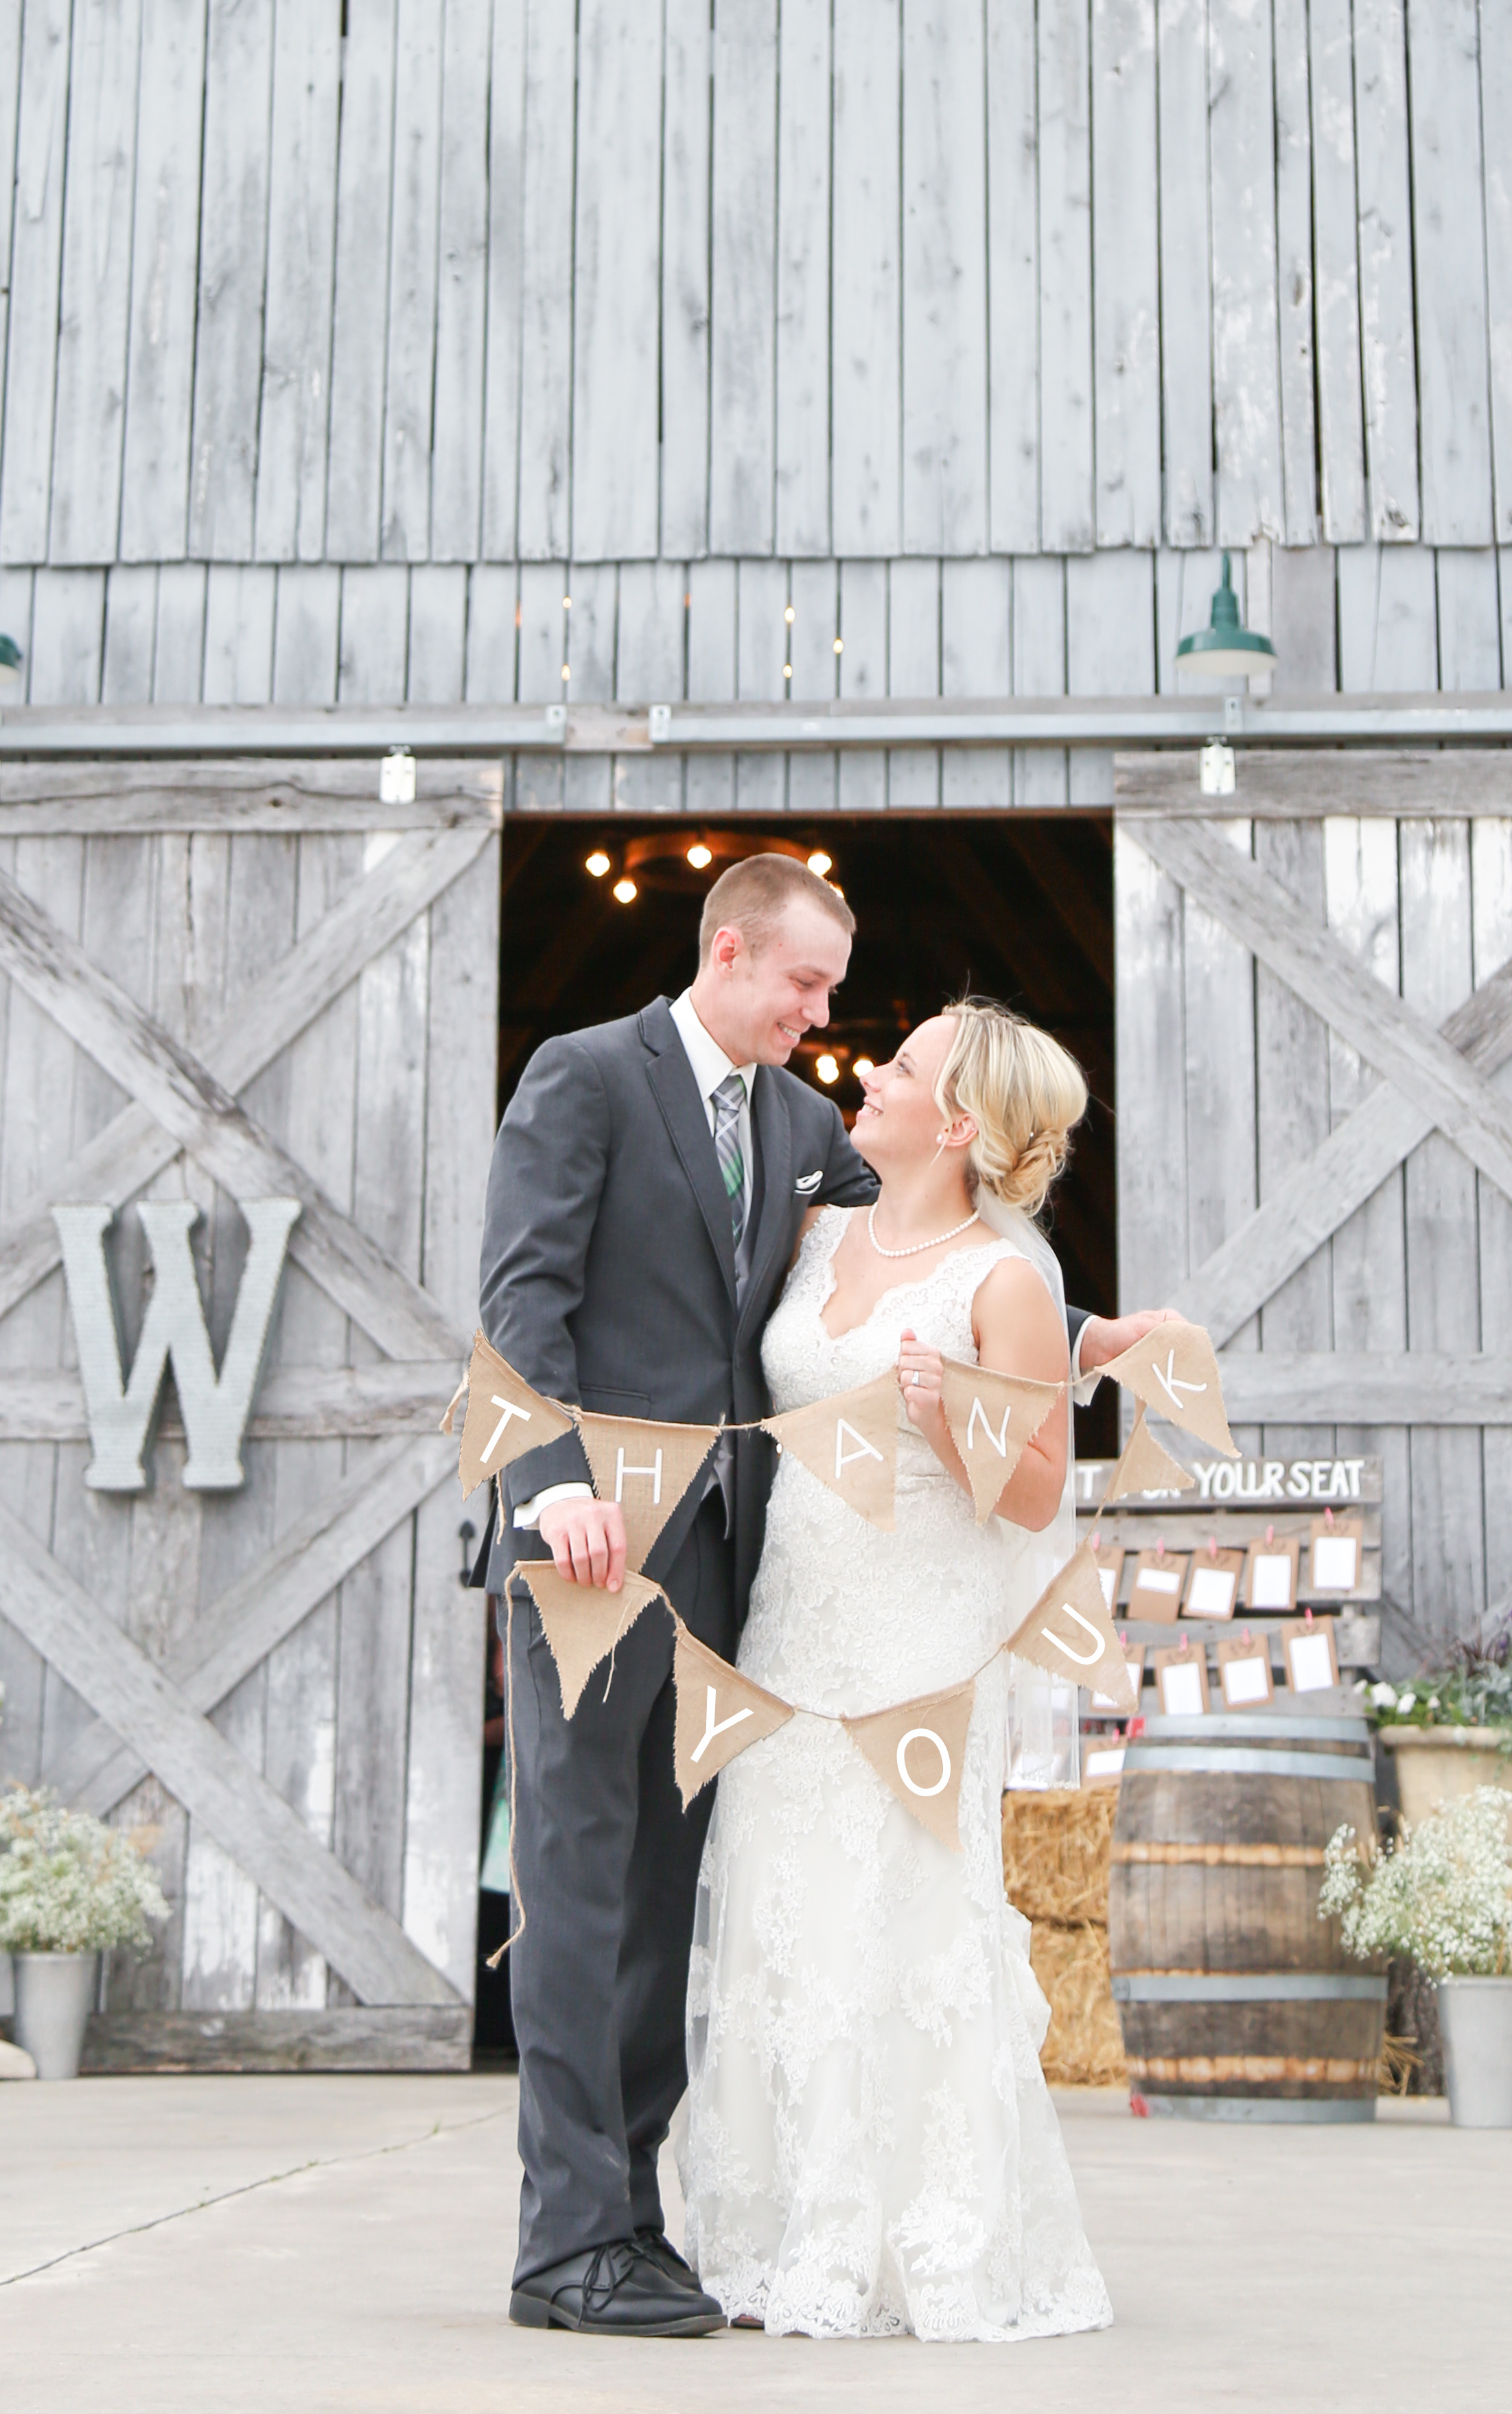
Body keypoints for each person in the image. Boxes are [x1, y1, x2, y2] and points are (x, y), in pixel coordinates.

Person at [478, 862, 1167, 2341]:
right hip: (590, 1558)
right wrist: (552, 1484)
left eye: (836, 996)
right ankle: (564, 2242)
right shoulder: (584, 1075)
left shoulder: (804, 1136)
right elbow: (520, 1299)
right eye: (803, 986)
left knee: (669, 1911)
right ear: (731, 950)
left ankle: (638, 2227)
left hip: (741, 1596)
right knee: (581, 1891)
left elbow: (950, 1248)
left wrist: (1094, 1337)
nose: (824, 1016)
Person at [677, 998, 1115, 2341]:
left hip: (917, 1654)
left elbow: (1037, 1497)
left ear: (960, 1122)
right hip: (792, 1632)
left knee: (904, 1933)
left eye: (904, 1064)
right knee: (782, 1922)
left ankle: (927, 2241)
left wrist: (949, 1413)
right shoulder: (820, 1232)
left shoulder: (1001, 1278)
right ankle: (790, 2233)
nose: (868, 1070)